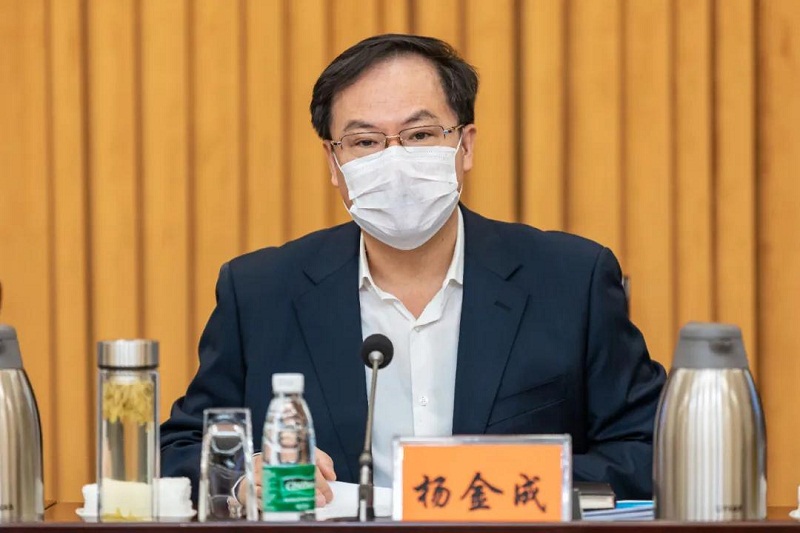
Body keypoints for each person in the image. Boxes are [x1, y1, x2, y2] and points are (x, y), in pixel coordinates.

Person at [160, 34, 666, 507]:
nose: (394, 160)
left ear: (465, 146)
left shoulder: (570, 281)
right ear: (334, 163)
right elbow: (179, 447)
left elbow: (647, 448)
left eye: (420, 134)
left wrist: (508, 484)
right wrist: (244, 477)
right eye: (365, 142)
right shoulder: (261, 293)